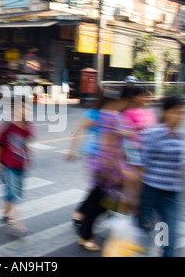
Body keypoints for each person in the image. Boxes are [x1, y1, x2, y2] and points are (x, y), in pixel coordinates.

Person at [76, 86, 128, 251]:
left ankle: (84, 225)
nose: (124, 103)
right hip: (106, 167)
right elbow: (105, 142)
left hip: (109, 167)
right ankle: (86, 236)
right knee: (99, 203)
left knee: (99, 201)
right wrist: (109, 166)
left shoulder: (110, 115)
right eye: (121, 100)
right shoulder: (108, 115)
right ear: (115, 100)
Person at [137, 95, 185, 257]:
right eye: (176, 112)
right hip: (150, 192)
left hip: (171, 195)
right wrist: (135, 198)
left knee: (169, 239)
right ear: (164, 112)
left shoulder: (180, 137)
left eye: (182, 113)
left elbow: (179, 166)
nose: (179, 117)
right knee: (142, 233)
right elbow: (142, 165)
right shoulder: (152, 134)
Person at [0, 96, 35, 234]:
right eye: (21, 107)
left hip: (21, 163)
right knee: (11, 192)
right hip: (8, 163)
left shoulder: (28, 124)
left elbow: (26, 141)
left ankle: (5, 214)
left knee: (17, 191)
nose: (24, 110)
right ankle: (15, 219)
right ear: (12, 110)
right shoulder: (7, 125)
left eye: (25, 107)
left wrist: (28, 155)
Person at [66, 88, 102, 226]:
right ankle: (81, 213)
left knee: (100, 187)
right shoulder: (93, 112)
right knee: (99, 187)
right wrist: (72, 150)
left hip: (104, 153)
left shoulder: (110, 112)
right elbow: (77, 130)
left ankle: (84, 212)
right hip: (94, 153)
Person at [120, 85, 157, 215]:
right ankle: (124, 218)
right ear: (133, 98)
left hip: (145, 155)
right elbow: (126, 135)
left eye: (144, 95)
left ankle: (134, 215)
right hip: (133, 156)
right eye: (141, 95)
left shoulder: (148, 112)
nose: (144, 98)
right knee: (131, 189)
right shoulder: (127, 113)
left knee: (138, 189)